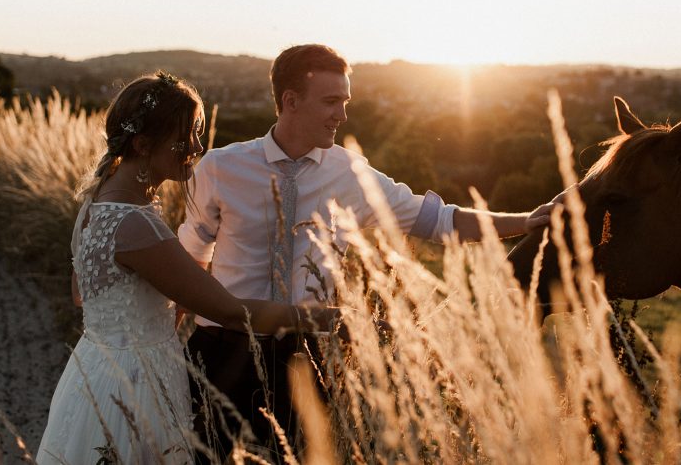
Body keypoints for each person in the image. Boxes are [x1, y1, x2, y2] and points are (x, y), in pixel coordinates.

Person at [179, 44, 553, 460]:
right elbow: (190, 260)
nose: (342, 114)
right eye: (331, 101)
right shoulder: (219, 168)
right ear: (290, 101)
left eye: (345, 101)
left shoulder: (350, 174)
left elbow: (439, 220)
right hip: (219, 353)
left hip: (305, 362)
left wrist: (525, 220)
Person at [36, 72, 340, 465]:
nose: (197, 147)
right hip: (136, 384)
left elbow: (84, 294)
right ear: (143, 144)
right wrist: (324, 318)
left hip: (95, 369)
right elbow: (230, 312)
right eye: (185, 137)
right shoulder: (136, 225)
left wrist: (161, 302)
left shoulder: (96, 205)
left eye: (197, 132)